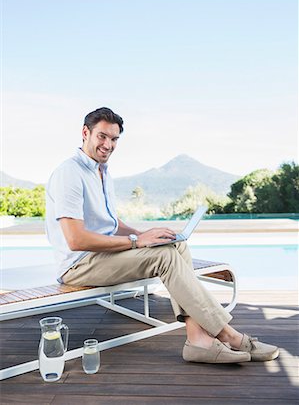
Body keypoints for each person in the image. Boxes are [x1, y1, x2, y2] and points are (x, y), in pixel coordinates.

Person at [46, 107, 279, 364]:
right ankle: (228, 335)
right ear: (85, 133)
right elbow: (76, 240)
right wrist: (136, 242)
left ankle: (197, 339)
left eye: (114, 139)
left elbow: (109, 222)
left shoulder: (102, 172)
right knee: (165, 257)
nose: (108, 144)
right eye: (102, 136)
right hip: (79, 263)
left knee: (175, 247)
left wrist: (142, 233)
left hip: (103, 256)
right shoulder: (70, 172)